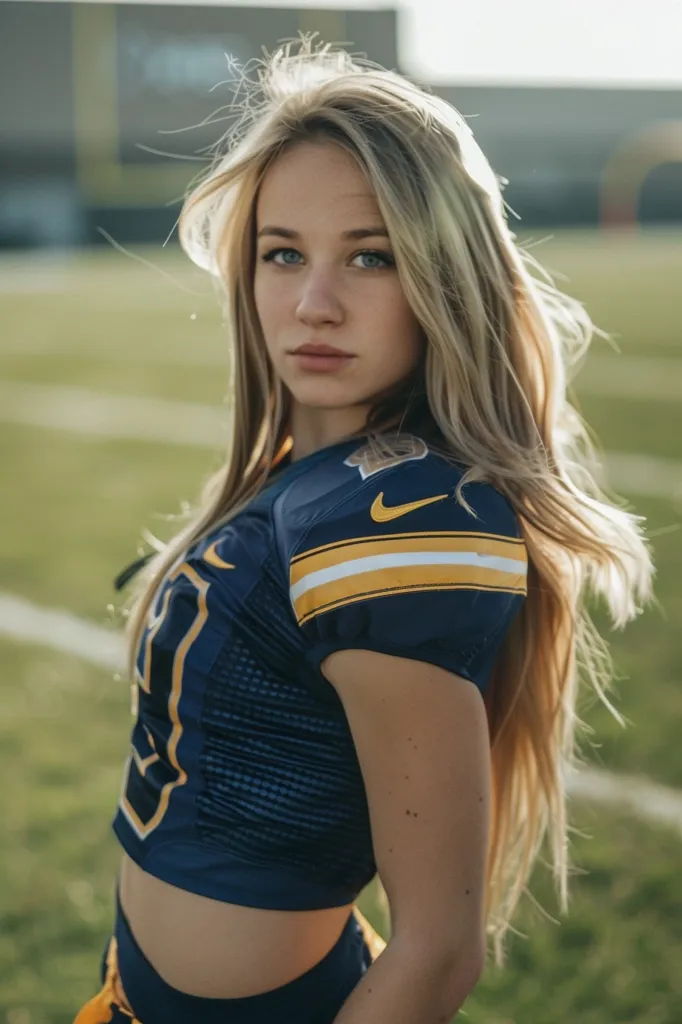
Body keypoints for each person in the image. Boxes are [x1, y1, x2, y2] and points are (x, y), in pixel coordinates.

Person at [74, 37, 654, 1024]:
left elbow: (437, 953)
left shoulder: (398, 511)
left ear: (445, 275)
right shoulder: (302, 478)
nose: (313, 304)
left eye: (370, 256)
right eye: (283, 253)